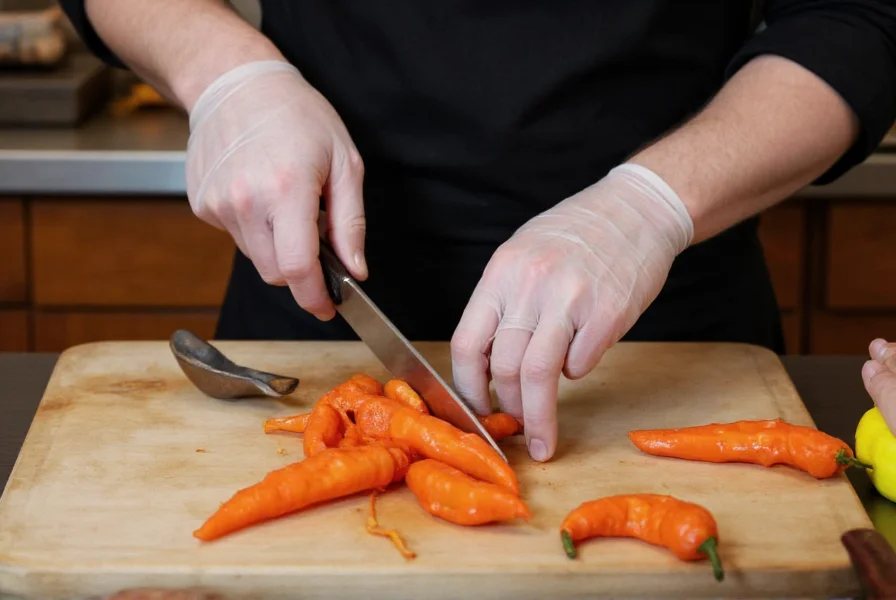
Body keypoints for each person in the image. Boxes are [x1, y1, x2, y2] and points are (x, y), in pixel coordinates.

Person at [60, 0, 896, 462]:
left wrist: (649, 204)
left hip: (661, 340)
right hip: (318, 312)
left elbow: (860, 14)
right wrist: (228, 75)